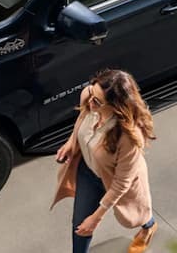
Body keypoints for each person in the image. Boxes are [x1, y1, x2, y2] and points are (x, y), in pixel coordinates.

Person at [52, 69, 159, 253]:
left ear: (117, 106)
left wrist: (97, 217)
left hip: (121, 179)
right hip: (90, 173)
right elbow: (82, 115)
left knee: (136, 215)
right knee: (80, 225)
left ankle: (149, 225)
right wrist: (72, 141)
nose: (90, 101)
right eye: (92, 94)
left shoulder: (129, 138)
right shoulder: (90, 96)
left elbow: (121, 183)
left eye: (98, 101)